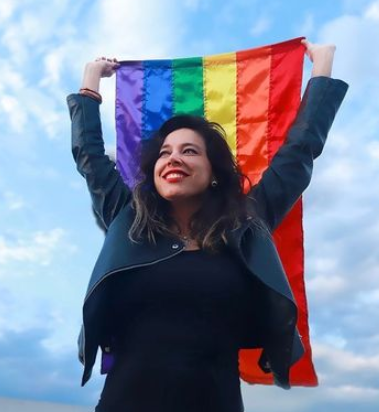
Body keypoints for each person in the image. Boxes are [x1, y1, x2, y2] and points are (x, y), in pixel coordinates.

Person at [67, 39, 348, 412]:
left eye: (190, 151)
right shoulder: (127, 218)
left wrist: (322, 69)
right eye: (165, 152)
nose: (174, 158)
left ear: (213, 173)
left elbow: (300, 152)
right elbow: (89, 157)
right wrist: (90, 83)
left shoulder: (247, 221)